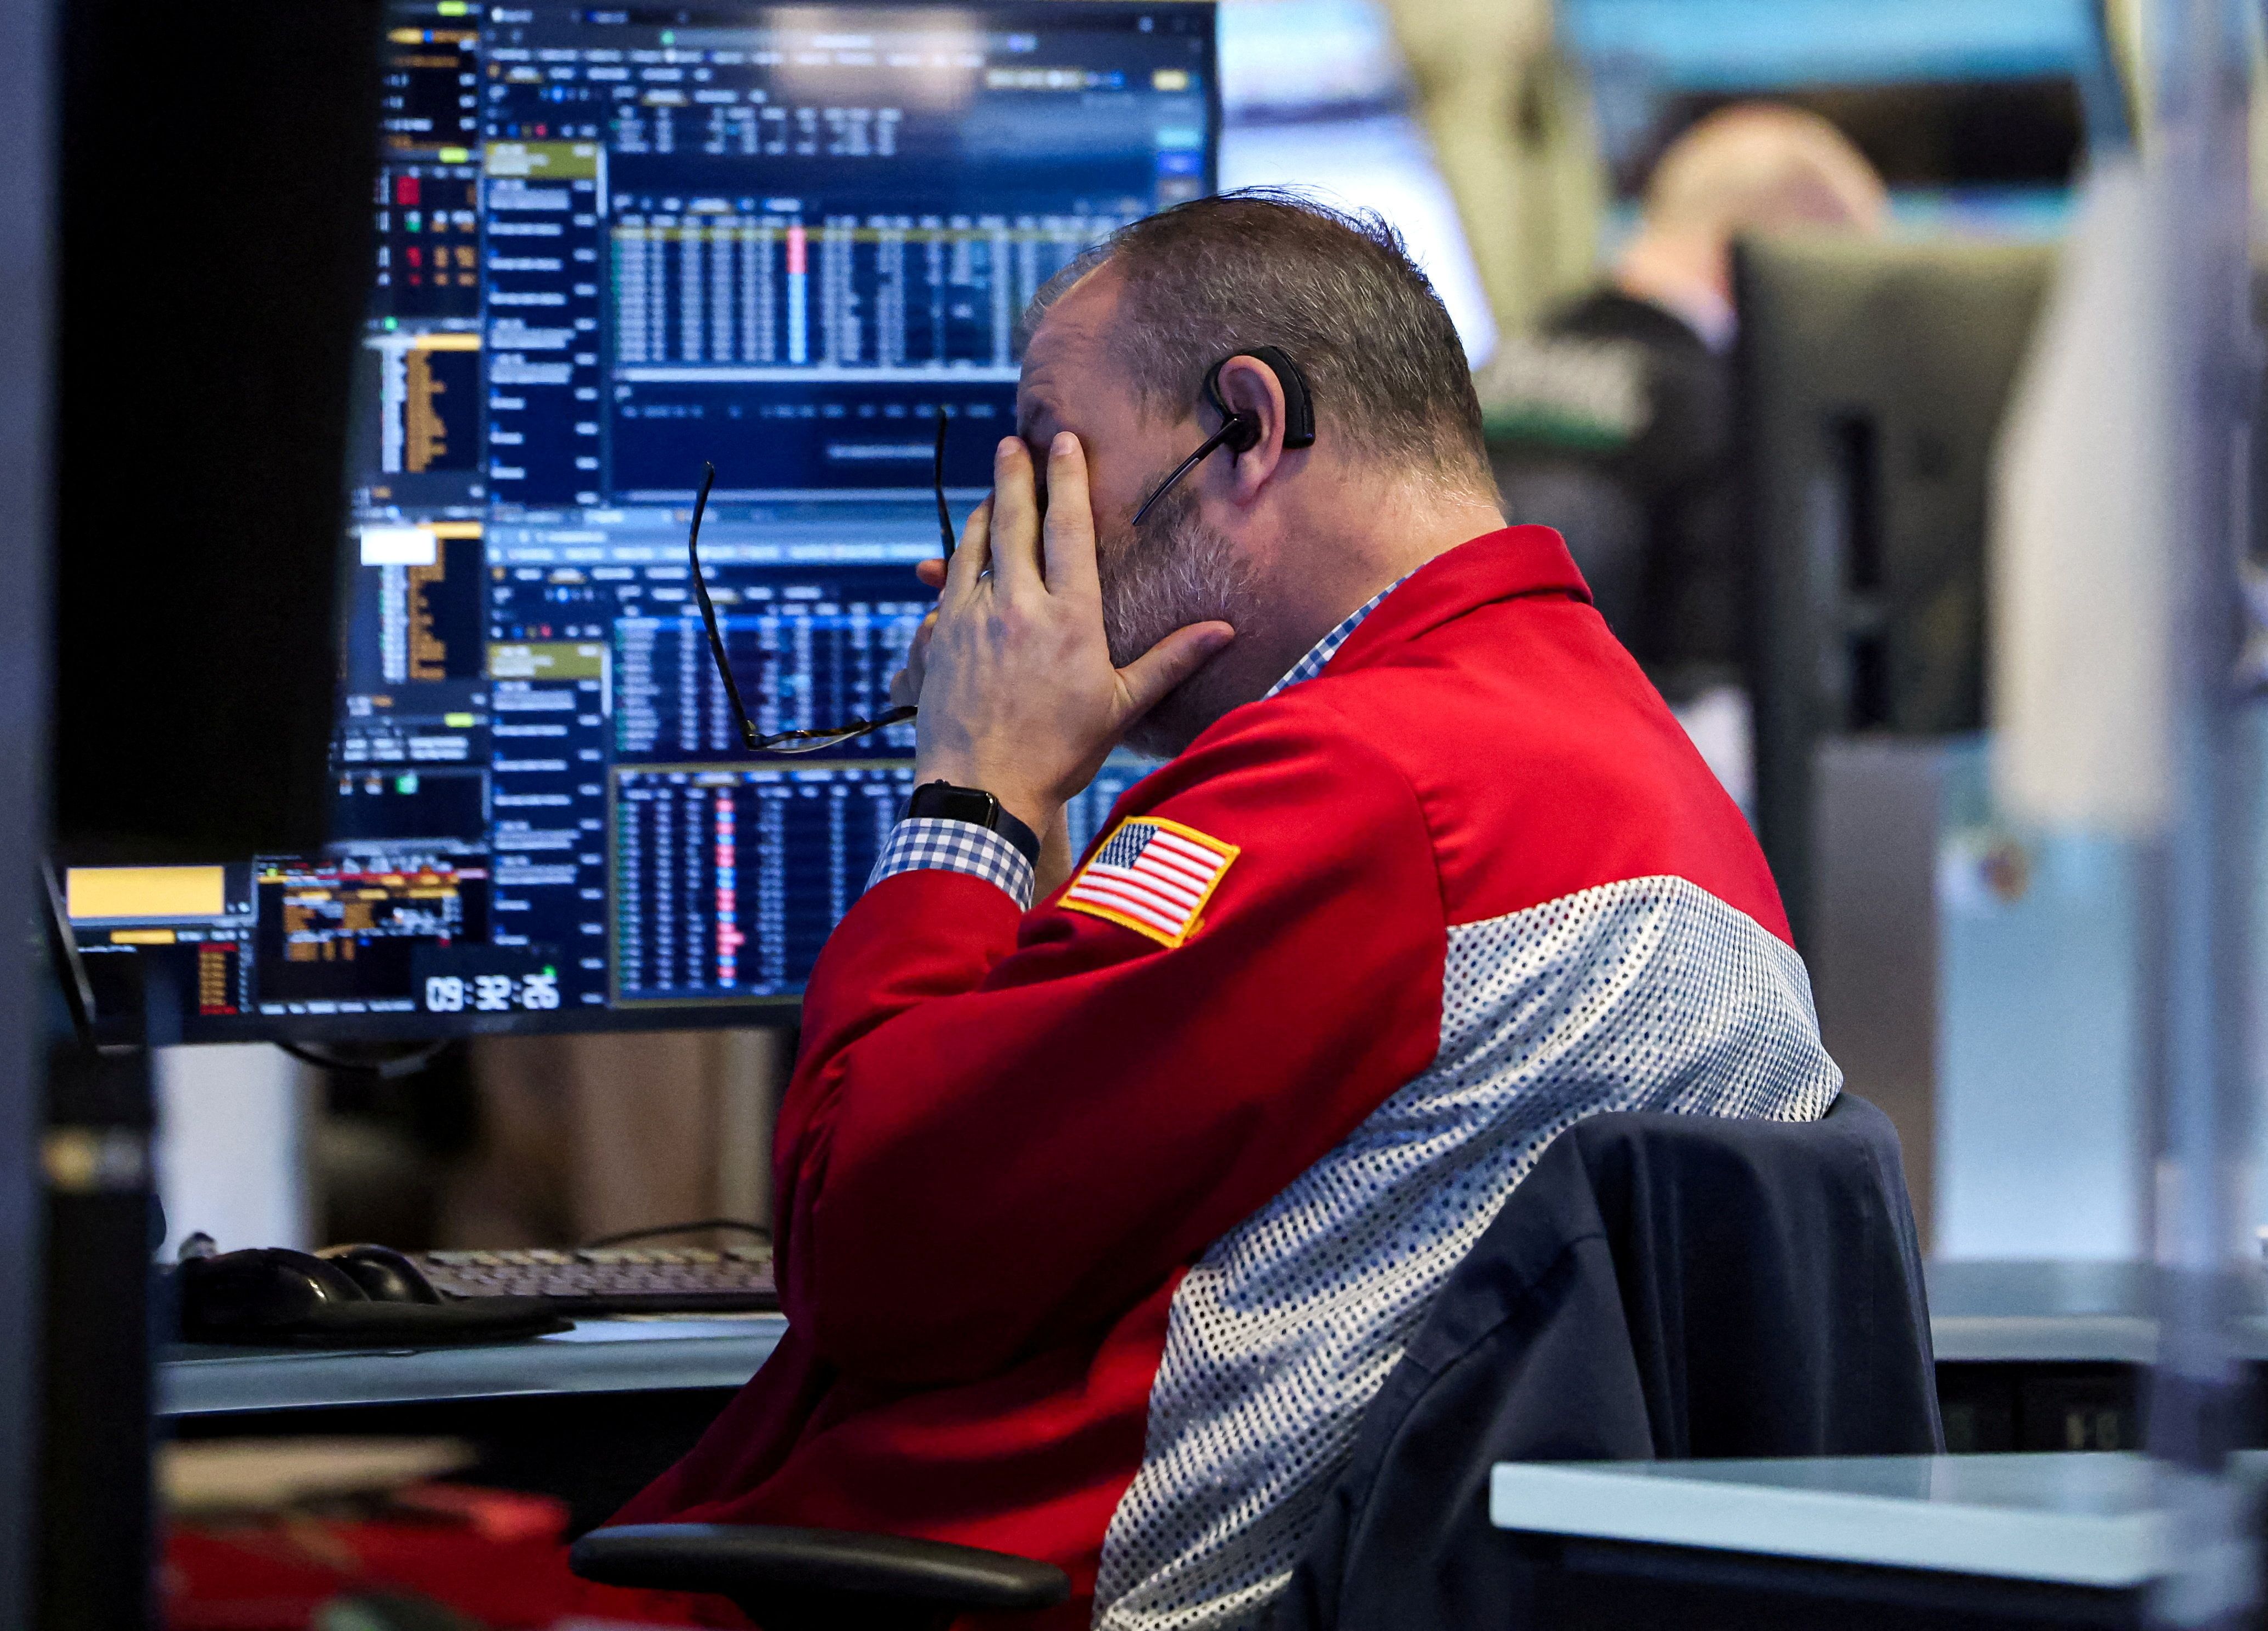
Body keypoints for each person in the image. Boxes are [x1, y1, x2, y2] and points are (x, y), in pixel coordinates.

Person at [582, 192, 1841, 1631]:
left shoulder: (1359, 783)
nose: (989, 560)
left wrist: (976, 797)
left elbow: (865, 1243)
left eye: (1051, 461)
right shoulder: (1597, 749)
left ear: (1244, 428)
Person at [1477, 104, 1886, 799]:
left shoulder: (1487, 373)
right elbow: (1723, 717)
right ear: (1774, 251)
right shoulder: (1731, 412)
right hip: (1618, 820)